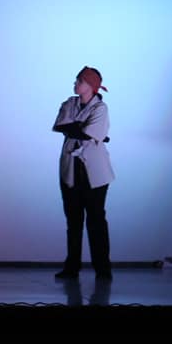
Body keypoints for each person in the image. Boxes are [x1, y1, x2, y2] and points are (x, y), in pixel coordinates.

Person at [52, 66, 115, 280]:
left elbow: (89, 133)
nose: (75, 84)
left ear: (91, 86)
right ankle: (72, 267)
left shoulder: (100, 108)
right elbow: (61, 126)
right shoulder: (69, 103)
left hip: (95, 173)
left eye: (80, 81)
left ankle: (103, 269)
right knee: (73, 221)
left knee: (96, 220)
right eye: (77, 80)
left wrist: (77, 129)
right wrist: (83, 130)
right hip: (71, 170)